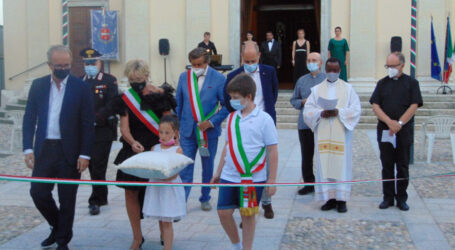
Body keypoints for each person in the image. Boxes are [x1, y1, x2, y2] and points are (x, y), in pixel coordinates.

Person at [22, 45, 95, 250]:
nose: (63, 68)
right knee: (38, 192)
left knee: (67, 198)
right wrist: (28, 148)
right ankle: (57, 225)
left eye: (67, 65)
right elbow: (29, 118)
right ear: (49, 65)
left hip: (69, 152)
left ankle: (62, 240)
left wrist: (85, 154)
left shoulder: (80, 87)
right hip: (44, 149)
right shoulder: (38, 86)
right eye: (58, 65)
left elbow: (87, 123)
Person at [112, 59, 176, 250]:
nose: (136, 83)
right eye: (132, 80)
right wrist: (132, 142)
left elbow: (170, 122)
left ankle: (165, 233)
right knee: (131, 192)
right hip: (134, 147)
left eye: (139, 79)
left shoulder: (159, 94)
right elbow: (124, 128)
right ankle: (137, 237)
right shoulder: (126, 98)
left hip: (157, 146)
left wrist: (170, 145)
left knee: (159, 191)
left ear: (147, 76)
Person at [211, 73, 278, 250]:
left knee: (247, 215)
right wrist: (218, 172)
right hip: (229, 175)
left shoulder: (264, 119)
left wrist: (272, 180)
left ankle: (247, 248)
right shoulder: (232, 118)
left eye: (235, 98)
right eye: (231, 97)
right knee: (223, 212)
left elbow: (272, 150)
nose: (231, 101)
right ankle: (236, 245)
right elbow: (227, 146)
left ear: (248, 97)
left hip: (253, 177)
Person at [225, 43, 278, 219]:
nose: (250, 63)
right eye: (246, 60)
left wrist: (261, 114)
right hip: (242, 124)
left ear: (259, 56)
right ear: (242, 58)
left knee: (266, 164)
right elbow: (228, 101)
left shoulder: (269, 72)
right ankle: (246, 208)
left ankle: (266, 202)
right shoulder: (233, 75)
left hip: (262, 121)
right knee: (245, 163)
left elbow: (274, 94)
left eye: (253, 60)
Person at [303, 57, 361, 213]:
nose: (332, 73)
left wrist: (338, 112)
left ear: (340, 70)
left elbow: (356, 110)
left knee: (341, 166)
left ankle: (341, 199)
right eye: (329, 70)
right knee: (324, 164)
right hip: (323, 133)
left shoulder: (348, 89)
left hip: (341, 134)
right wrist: (320, 113)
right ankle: (329, 199)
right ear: (325, 70)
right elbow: (307, 111)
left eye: (335, 70)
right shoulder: (316, 90)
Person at [176, 47, 229, 211]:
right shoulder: (184, 77)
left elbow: (226, 106)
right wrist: (177, 127)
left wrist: (212, 122)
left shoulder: (219, 78)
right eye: (193, 64)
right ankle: (181, 201)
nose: (196, 68)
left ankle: (205, 197)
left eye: (199, 64)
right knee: (185, 167)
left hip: (209, 132)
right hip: (187, 131)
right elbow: (179, 103)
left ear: (207, 62)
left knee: (208, 167)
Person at [369, 52, 423, 211]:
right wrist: (389, 122)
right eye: (388, 66)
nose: (390, 69)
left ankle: (401, 198)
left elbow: (414, 105)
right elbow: (375, 105)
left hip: (403, 131)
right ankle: (388, 197)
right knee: (386, 165)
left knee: (403, 165)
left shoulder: (412, 83)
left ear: (402, 65)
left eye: (393, 66)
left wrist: (399, 123)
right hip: (385, 130)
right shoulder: (382, 83)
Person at [79, 48, 118, 216]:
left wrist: (96, 117)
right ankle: (101, 196)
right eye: (87, 63)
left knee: (98, 164)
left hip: (103, 130)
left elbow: (112, 104)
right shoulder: (80, 81)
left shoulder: (109, 81)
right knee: (91, 165)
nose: (90, 66)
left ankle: (95, 200)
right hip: (84, 131)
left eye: (93, 63)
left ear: (100, 63)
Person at [143, 115, 186, 250]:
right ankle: (164, 242)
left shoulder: (177, 150)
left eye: (167, 133)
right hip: (156, 186)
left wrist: (165, 177)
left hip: (169, 188)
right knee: (161, 218)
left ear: (175, 133)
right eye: (161, 132)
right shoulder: (154, 148)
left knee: (167, 220)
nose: (163, 135)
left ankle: (167, 247)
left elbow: (175, 172)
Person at [290, 52, 326, 196]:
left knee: (324, 154)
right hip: (305, 123)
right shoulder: (301, 80)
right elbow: (294, 100)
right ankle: (308, 183)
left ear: (321, 63)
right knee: (306, 155)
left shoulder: (326, 79)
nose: (311, 62)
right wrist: (303, 102)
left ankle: (324, 183)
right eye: (309, 60)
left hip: (323, 123)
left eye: (314, 60)